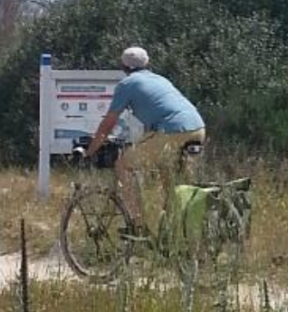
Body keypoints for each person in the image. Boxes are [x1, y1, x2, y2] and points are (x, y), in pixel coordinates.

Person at [85, 47, 206, 223]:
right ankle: (177, 228)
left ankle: (138, 221)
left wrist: (91, 150)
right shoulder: (160, 79)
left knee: (122, 165)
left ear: (123, 67)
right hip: (197, 127)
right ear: (147, 63)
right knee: (171, 179)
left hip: (172, 131)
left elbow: (108, 124)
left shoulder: (127, 84)